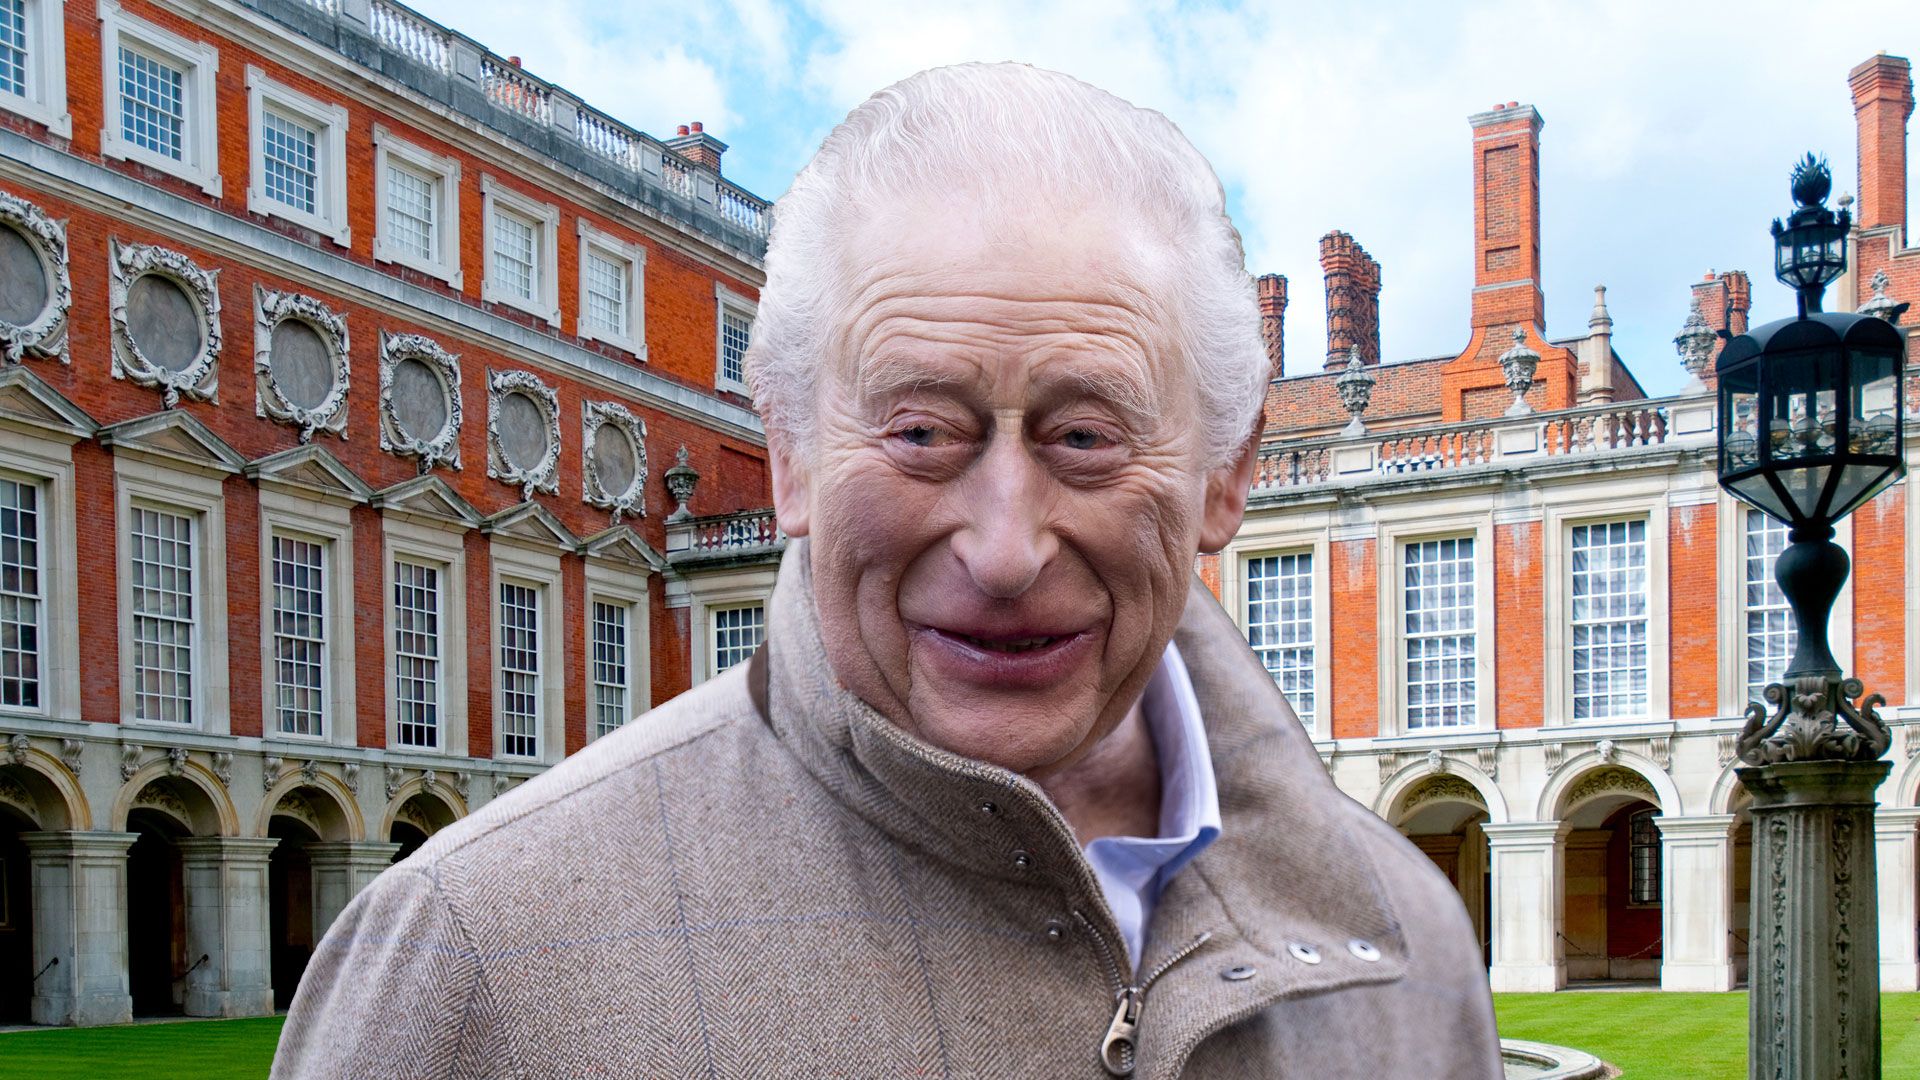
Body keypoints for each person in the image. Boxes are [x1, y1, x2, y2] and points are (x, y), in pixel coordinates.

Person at [272, 62, 1501, 1079]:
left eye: (1085, 436)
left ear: (1225, 475)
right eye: (921, 432)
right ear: (790, 452)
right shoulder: (471, 961)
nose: (1006, 549)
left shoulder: (1413, 940)